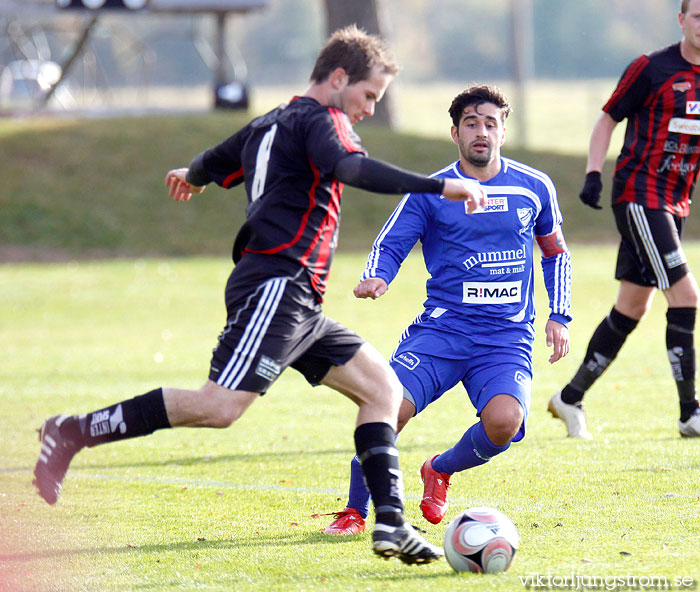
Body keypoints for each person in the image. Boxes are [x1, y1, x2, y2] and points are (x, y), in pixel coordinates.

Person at [32, 25, 487, 565]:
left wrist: (193, 174)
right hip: (277, 285)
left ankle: (389, 525)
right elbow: (352, 167)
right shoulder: (323, 120)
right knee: (218, 407)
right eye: (368, 96)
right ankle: (70, 432)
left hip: (300, 301)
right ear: (339, 78)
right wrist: (441, 185)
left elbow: (213, 158)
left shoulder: (270, 120)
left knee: (382, 392)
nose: (367, 110)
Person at [322, 85, 572, 535]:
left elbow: (555, 251)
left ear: (502, 131)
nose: (482, 132)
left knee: (503, 424)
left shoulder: (534, 187)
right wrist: (378, 275)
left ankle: (439, 469)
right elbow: (393, 240)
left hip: (505, 336)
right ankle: (355, 512)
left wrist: (560, 315)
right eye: (472, 124)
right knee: (387, 409)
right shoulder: (431, 190)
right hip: (442, 331)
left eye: (490, 124)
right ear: (455, 133)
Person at [549, 0, 700, 440]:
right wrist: (594, 173)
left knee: (633, 305)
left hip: (676, 202)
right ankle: (690, 413)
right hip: (639, 195)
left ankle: (570, 397)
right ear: (682, 20)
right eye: (697, 16)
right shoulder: (651, 68)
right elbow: (607, 118)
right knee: (686, 295)